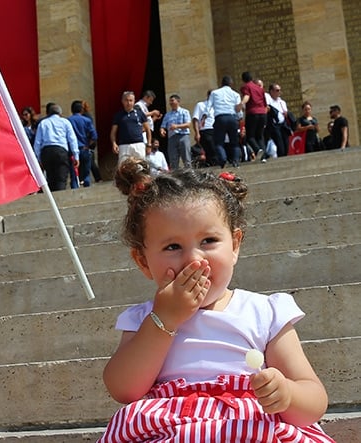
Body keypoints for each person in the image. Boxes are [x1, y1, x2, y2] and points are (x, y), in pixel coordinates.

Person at [98, 158, 335, 442]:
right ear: (143, 261)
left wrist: (286, 394)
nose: (194, 259)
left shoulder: (265, 312)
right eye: (173, 247)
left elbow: (314, 402)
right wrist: (165, 319)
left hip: (250, 424)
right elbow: (123, 389)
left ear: (235, 245)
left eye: (208, 241)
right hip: (173, 428)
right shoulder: (144, 318)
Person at [33, 102, 79, 191]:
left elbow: (37, 143)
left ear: (48, 113)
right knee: (61, 178)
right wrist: (76, 155)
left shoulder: (43, 123)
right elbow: (72, 139)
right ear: (60, 113)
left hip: (46, 152)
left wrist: (39, 159)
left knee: (50, 178)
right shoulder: (65, 122)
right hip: (61, 151)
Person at [207, 75, 244, 167]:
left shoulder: (214, 93)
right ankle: (235, 161)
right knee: (234, 141)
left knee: (219, 141)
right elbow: (238, 109)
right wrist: (240, 118)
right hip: (232, 118)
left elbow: (208, 106)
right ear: (231, 84)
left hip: (220, 118)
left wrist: (205, 116)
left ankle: (223, 159)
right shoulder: (235, 94)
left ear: (221, 83)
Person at [111, 91, 147, 164]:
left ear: (134, 101)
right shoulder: (118, 115)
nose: (128, 103)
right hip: (124, 145)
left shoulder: (140, 114)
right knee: (123, 168)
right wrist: (114, 143)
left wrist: (149, 143)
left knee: (141, 167)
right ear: (122, 101)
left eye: (131, 100)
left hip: (138, 144)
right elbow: (113, 132)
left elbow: (147, 129)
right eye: (126, 100)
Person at [68, 100, 98, 187]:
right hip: (84, 148)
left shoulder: (67, 121)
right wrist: (88, 145)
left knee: (74, 176)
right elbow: (94, 136)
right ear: (81, 110)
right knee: (86, 175)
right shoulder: (87, 120)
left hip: (72, 151)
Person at [240, 72, 268, 160]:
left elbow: (247, 96)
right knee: (260, 136)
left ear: (243, 80)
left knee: (250, 136)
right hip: (262, 114)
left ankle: (257, 150)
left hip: (252, 113)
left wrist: (241, 104)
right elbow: (265, 104)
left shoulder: (246, 87)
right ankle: (263, 156)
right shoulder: (260, 89)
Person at [160, 94, 192, 169]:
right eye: (170, 101)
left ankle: (189, 175)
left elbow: (188, 124)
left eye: (172, 100)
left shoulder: (184, 112)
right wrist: (162, 130)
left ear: (178, 101)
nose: (170, 103)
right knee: (173, 159)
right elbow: (163, 126)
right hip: (172, 138)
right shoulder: (167, 115)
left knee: (186, 158)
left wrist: (177, 126)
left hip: (183, 136)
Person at [192, 90, 218, 166]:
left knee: (216, 150)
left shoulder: (216, 107)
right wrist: (197, 133)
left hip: (216, 130)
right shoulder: (200, 105)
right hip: (205, 130)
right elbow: (195, 119)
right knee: (211, 149)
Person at [266, 83, 291, 157]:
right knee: (280, 146)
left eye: (280, 90)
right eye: (277, 90)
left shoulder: (282, 102)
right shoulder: (269, 101)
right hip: (275, 125)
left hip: (283, 124)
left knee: (286, 145)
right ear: (271, 91)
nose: (279, 92)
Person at [81, 100, 102, 182]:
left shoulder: (86, 116)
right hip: (90, 141)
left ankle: (97, 178)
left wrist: (89, 142)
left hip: (88, 141)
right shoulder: (88, 116)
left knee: (90, 161)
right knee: (91, 160)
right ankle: (97, 178)